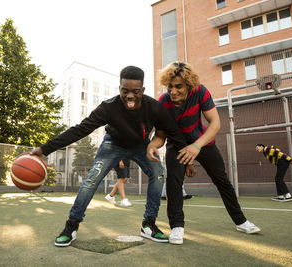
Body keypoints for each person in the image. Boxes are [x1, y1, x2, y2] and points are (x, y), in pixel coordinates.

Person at [31, 66, 194, 247]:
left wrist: (188, 161)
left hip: (141, 145)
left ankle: (149, 224)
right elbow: (80, 130)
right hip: (113, 144)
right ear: (119, 90)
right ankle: (71, 226)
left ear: (143, 91)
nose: (130, 96)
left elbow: (174, 133)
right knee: (93, 178)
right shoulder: (109, 107)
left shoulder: (154, 108)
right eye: (125, 91)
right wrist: (44, 149)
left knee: (158, 173)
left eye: (135, 91)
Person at [147, 61, 261, 245]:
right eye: (170, 86)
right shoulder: (163, 103)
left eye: (178, 87)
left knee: (222, 180)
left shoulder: (200, 92)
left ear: (189, 85)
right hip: (176, 146)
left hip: (203, 141)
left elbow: (215, 123)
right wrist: (153, 145)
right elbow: (160, 136)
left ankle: (241, 221)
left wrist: (197, 146)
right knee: (173, 182)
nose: (173, 91)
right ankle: (177, 226)